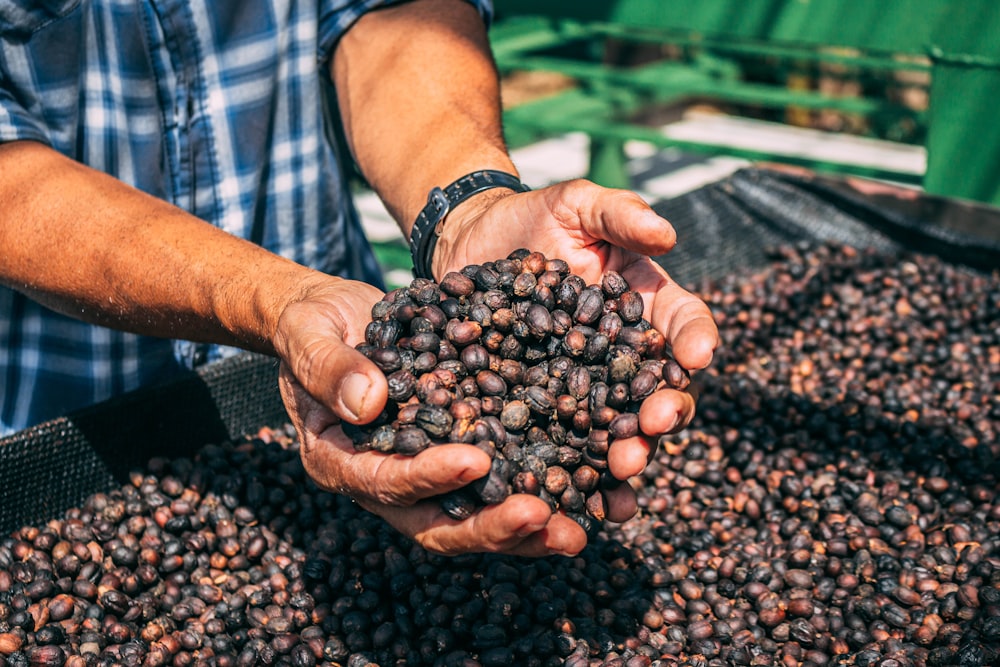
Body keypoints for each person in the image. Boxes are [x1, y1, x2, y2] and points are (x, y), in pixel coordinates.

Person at [0, 0, 718, 557]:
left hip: (347, 355)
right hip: (61, 426)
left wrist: (466, 208)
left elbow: (389, 16)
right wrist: (276, 301)